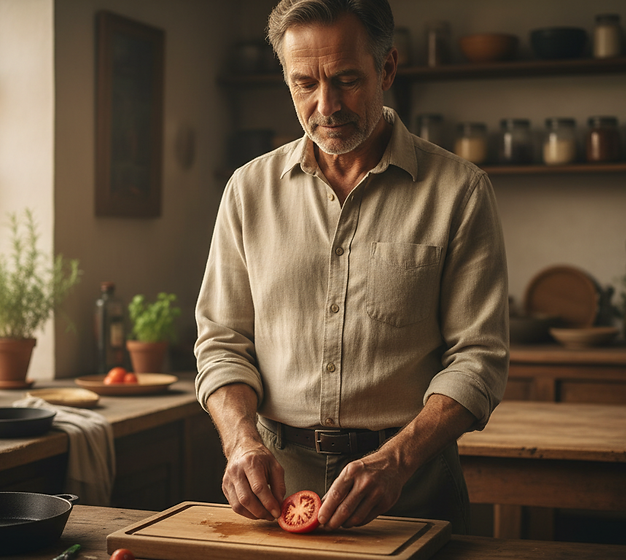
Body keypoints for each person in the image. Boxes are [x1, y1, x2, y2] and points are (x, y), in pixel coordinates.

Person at [194, 0, 508, 534]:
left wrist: (399, 459)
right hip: (279, 486)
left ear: (386, 68)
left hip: (414, 479)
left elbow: (477, 358)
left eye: (345, 80)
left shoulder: (460, 191)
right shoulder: (247, 191)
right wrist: (241, 440)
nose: (326, 105)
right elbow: (222, 340)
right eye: (304, 84)